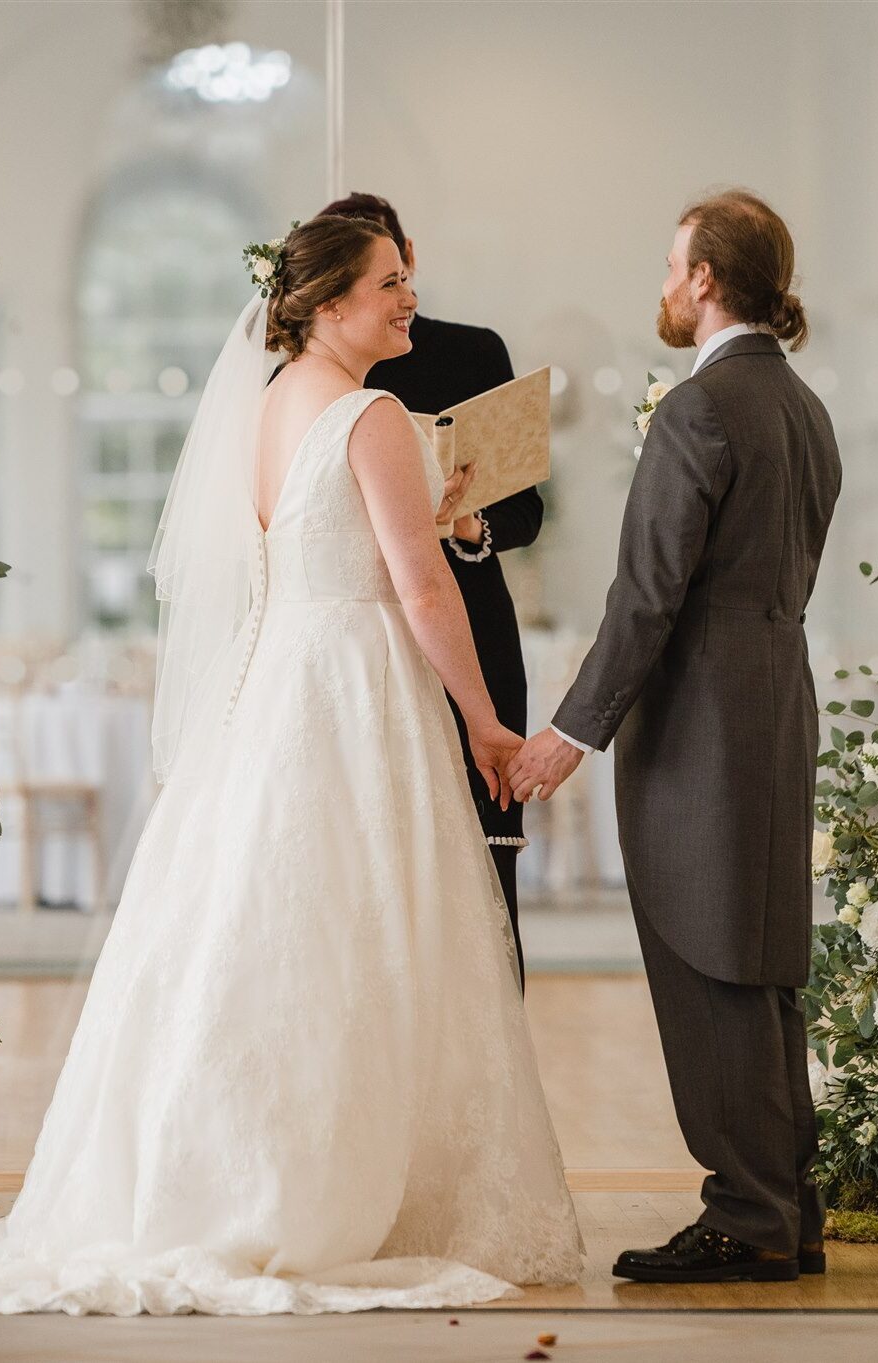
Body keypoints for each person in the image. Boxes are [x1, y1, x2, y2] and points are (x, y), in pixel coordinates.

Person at [0, 214, 582, 1315]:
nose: (407, 302)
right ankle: (345, 1187)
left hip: (277, 677)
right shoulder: (373, 415)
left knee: (267, 924)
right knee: (365, 925)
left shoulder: (268, 406)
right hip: (353, 681)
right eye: (388, 285)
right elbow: (424, 589)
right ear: (329, 302)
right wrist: (483, 720)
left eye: (406, 281)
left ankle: (222, 1169)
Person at [510, 190, 841, 1284]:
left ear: (705, 281)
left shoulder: (699, 411)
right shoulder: (801, 408)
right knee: (761, 964)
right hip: (775, 705)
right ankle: (787, 1206)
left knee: (708, 960)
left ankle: (744, 1212)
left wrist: (569, 731)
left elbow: (647, 595)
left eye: (671, 264)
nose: (662, 282)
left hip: (699, 723)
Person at [316, 193, 542, 986]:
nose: (401, 290)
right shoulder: (308, 379)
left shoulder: (475, 352)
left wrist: (465, 527)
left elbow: (525, 511)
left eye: (398, 267)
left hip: (471, 625)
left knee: (483, 861)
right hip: (361, 647)